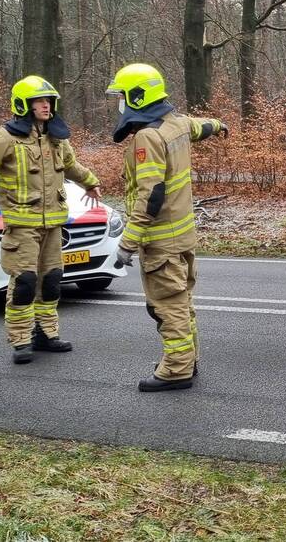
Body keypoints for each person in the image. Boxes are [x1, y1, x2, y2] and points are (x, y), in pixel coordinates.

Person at [0, 77, 101, 364]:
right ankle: (20, 339)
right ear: (23, 105)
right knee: (25, 282)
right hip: (22, 227)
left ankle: (47, 334)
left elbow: (70, 165)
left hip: (53, 225)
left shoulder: (56, 136)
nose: (46, 105)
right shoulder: (5, 137)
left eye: (49, 101)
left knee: (52, 281)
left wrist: (91, 182)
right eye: (39, 101)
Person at [105, 63, 227, 392]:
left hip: (161, 242)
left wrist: (127, 244)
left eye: (122, 97)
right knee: (182, 301)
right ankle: (188, 358)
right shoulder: (175, 124)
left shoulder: (148, 136)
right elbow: (198, 127)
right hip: (183, 236)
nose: (120, 103)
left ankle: (176, 369)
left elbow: (150, 196)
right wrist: (218, 125)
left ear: (137, 96)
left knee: (166, 306)